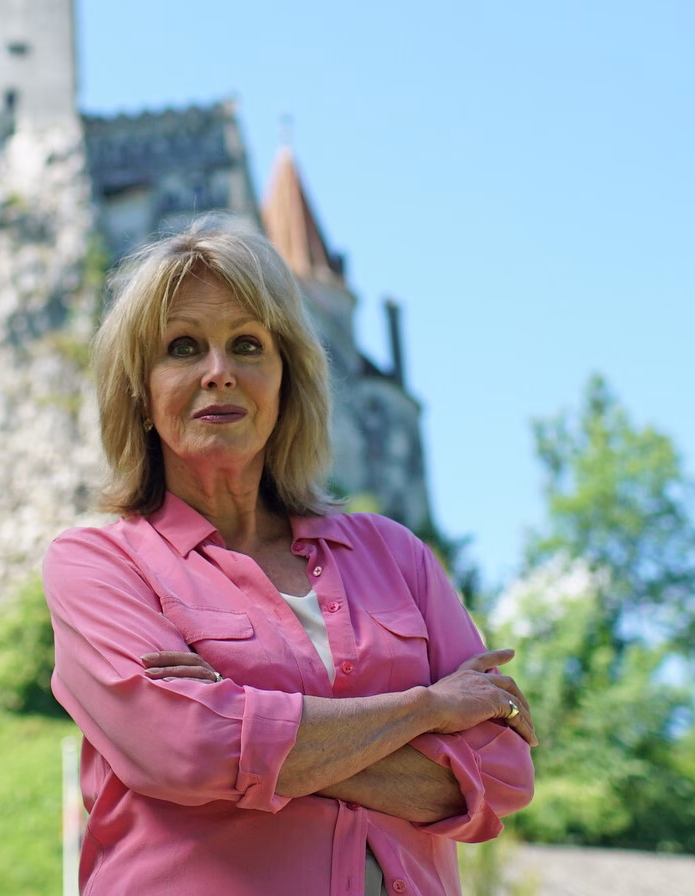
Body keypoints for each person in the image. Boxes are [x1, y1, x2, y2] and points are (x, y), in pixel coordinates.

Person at [43, 216, 536, 896]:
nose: (220, 372)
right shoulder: (98, 564)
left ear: (285, 381)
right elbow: (184, 748)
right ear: (140, 390)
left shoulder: (396, 556)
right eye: (184, 348)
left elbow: (506, 772)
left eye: (247, 345)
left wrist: (242, 722)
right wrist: (427, 711)